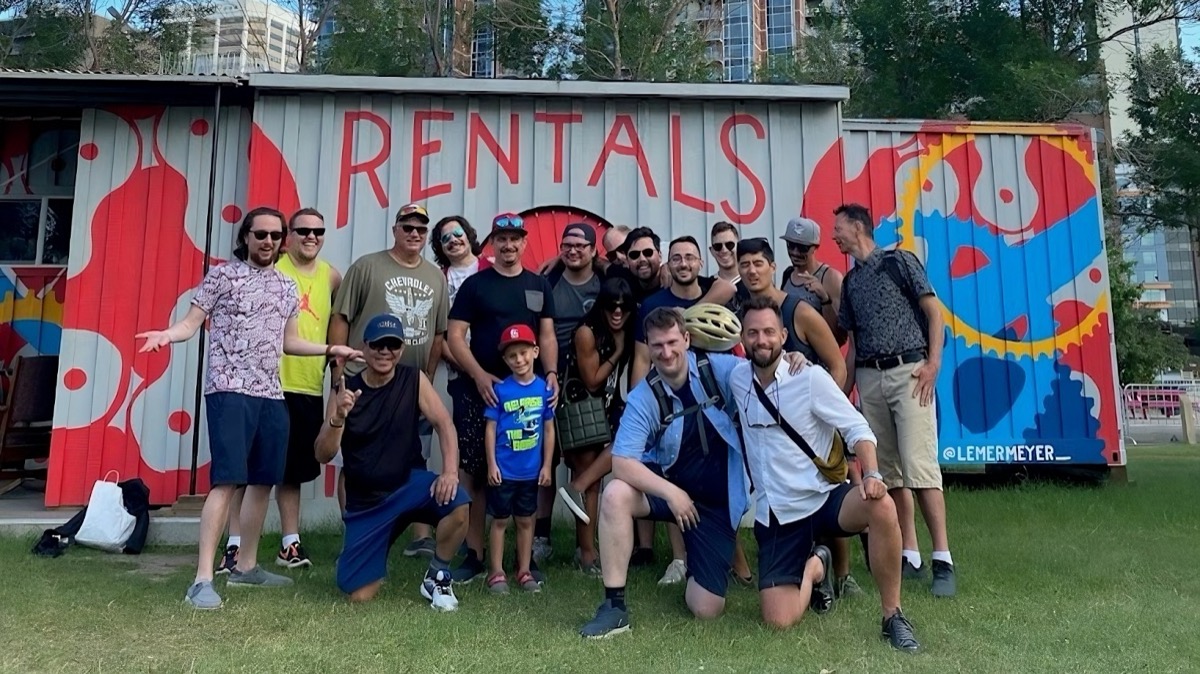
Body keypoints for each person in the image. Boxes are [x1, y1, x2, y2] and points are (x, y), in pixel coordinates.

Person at [136, 206, 361, 610]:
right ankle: (203, 579)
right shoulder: (223, 275)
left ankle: (247, 567)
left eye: (276, 236)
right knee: (227, 481)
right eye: (261, 235)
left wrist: (331, 348)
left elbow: (288, 342)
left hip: (272, 395)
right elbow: (190, 323)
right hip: (229, 390)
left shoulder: (286, 287)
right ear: (245, 237)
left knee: (262, 481)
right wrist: (167, 335)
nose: (269, 242)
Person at [578, 306, 805, 638]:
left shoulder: (720, 369)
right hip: (670, 491)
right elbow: (622, 462)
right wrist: (672, 493)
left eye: (672, 342)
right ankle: (614, 607)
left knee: (706, 608)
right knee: (615, 494)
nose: (666, 352)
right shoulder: (645, 396)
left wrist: (794, 361)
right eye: (657, 346)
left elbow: (766, 374)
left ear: (686, 339)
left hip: (715, 504)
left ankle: (809, 567)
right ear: (649, 348)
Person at [730, 294, 920, 650]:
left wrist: (874, 475)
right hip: (777, 514)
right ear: (742, 338)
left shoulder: (810, 378)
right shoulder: (736, 378)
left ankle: (893, 615)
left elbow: (858, 429)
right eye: (753, 333)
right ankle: (818, 564)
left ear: (784, 336)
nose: (761, 340)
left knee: (881, 507)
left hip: (822, 500)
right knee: (778, 621)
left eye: (769, 332)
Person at [833, 202, 956, 597]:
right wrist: (842, 392)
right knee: (887, 473)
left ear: (857, 227)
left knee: (920, 466)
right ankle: (910, 553)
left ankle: (943, 559)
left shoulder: (900, 261)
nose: (834, 235)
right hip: (869, 377)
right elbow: (851, 345)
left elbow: (934, 313)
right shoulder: (851, 283)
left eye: (838, 228)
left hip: (911, 373)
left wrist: (933, 364)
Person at [215, 207, 341, 574]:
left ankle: (290, 543)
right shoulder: (272, 269)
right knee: (247, 471)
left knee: (293, 471)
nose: (310, 237)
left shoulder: (331, 276)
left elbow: (339, 321)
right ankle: (235, 546)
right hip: (263, 384)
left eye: (318, 230)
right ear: (288, 235)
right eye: (302, 230)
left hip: (306, 384)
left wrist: (337, 367)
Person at [314, 313, 468, 609]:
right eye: (378, 345)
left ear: (401, 349)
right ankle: (371, 547)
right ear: (366, 346)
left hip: (408, 484)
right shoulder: (345, 391)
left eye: (392, 345)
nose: (385, 352)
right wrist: (338, 417)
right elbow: (323, 454)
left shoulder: (414, 379)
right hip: (367, 502)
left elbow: (444, 424)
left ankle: (438, 575)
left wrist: (450, 471)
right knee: (358, 594)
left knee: (459, 503)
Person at [330, 202, 450, 558]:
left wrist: (425, 378)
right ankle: (353, 529)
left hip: (408, 384)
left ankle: (421, 536)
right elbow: (341, 318)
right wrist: (338, 372)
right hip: (361, 379)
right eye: (408, 227)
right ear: (395, 229)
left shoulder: (435, 277)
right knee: (355, 461)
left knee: (416, 456)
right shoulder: (367, 266)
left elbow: (438, 334)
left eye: (421, 229)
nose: (414, 234)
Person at [447, 212, 559, 584]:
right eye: (501, 239)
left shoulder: (539, 285)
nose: (508, 245)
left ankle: (524, 563)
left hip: (526, 394)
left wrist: (553, 374)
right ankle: (475, 554)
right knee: (478, 472)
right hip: (477, 390)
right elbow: (455, 336)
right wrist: (479, 375)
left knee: (527, 470)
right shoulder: (475, 286)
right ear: (491, 244)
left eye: (515, 239)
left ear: (524, 243)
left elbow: (546, 337)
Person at [555, 277, 637, 574]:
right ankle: (588, 555)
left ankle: (587, 550)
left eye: (624, 307)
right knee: (590, 486)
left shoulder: (628, 327)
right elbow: (591, 380)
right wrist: (616, 352)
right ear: (600, 306)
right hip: (582, 409)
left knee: (594, 482)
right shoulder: (587, 333)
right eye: (611, 307)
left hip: (605, 410)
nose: (617, 313)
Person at [484, 324, 557, 593]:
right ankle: (497, 572)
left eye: (524, 353)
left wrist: (547, 465)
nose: (519, 360)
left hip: (530, 471)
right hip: (504, 470)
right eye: (513, 355)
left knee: (527, 520)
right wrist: (492, 463)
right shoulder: (500, 390)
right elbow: (490, 429)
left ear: (535, 352)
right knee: (500, 520)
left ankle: (524, 571)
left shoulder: (543, 389)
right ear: (505, 359)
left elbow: (549, 429)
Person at [780, 217, 845, 342]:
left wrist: (825, 300)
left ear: (815, 247)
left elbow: (840, 337)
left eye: (802, 248)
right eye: (791, 245)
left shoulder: (830, 277)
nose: (795, 252)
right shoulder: (788, 274)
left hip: (819, 359)